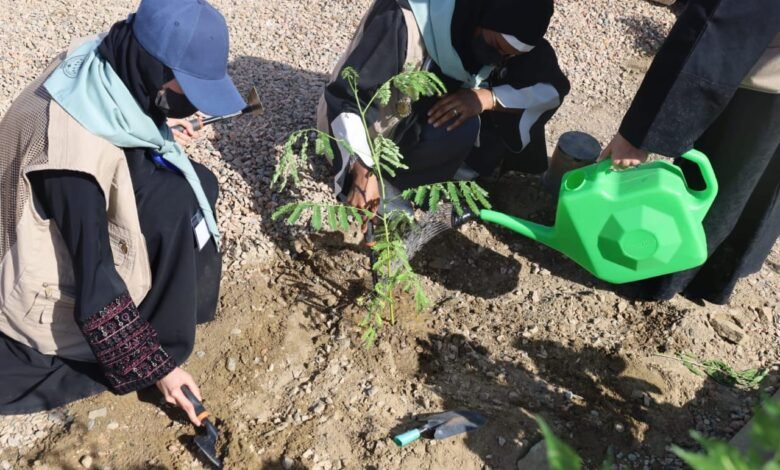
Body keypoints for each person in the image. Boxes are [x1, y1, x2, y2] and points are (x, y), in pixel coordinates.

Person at [0, 0, 246, 423]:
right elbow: (96, 283)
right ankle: (161, 336)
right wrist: (159, 367)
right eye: (186, 90)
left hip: (56, 201)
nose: (193, 106)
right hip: (30, 264)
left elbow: (119, 112)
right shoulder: (71, 163)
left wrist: (157, 124)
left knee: (196, 184)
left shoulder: (103, 59)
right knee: (172, 206)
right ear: (151, 66)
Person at [599, 0, 780, 303]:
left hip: (759, 84)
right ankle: (713, 279)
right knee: (758, 188)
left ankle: (660, 276)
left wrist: (640, 133)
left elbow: (719, 21)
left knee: (716, 190)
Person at [317, 0, 569, 213]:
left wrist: (487, 98)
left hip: (421, 126)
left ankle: (417, 186)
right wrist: (362, 169)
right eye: (497, 47)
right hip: (370, 129)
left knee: (468, 124)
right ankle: (380, 188)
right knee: (364, 175)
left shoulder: (507, 27)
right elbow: (347, 99)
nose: (499, 59)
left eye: (510, 55)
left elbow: (550, 88)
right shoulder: (405, 19)